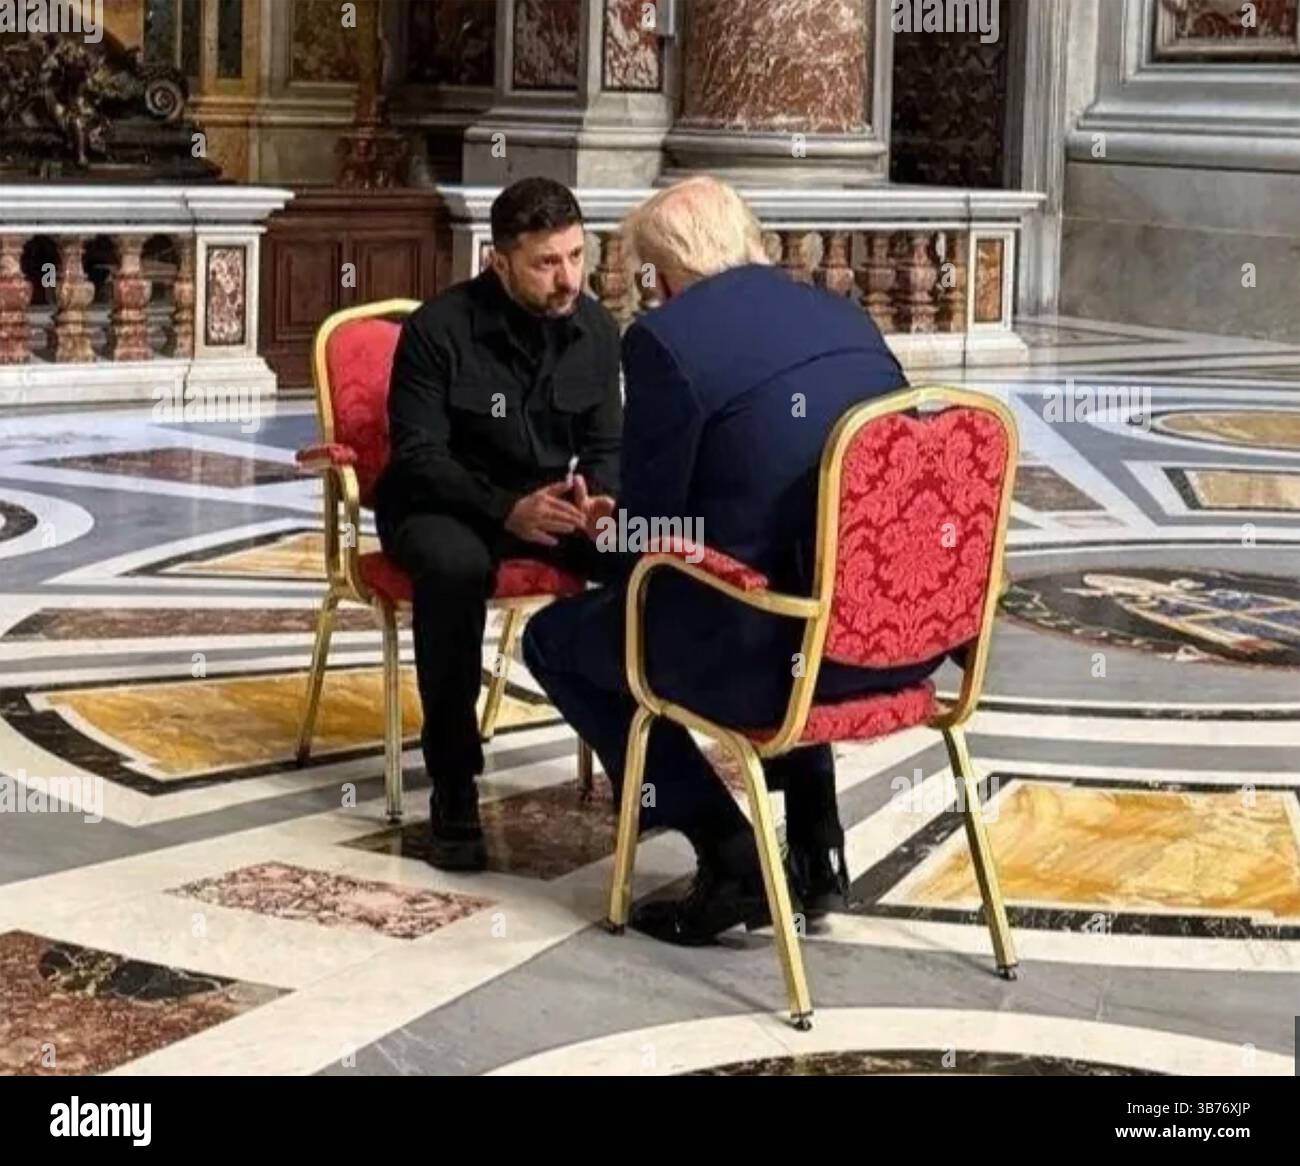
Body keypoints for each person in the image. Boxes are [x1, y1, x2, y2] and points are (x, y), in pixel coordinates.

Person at [522, 176, 945, 945]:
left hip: (765, 662)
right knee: (798, 568)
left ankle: (728, 853)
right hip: (890, 643)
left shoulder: (668, 341)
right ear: (751, 240)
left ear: (667, 275)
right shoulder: (847, 318)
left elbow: (650, 546)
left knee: (560, 640)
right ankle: (819, 851)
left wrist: (600, 533)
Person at [375, 177, 622, 872]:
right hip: (441, 505)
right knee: (454, 571)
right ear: (500, 260)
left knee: (644, 557)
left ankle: (640, 762)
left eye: (576, 255)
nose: (567, 277)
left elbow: (607, 447)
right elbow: (419, 456)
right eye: (547, 263)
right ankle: (453, 783)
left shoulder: (597, 330)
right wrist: (504, 507)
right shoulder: (438, 329)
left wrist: (598, 500)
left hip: (551, 507)